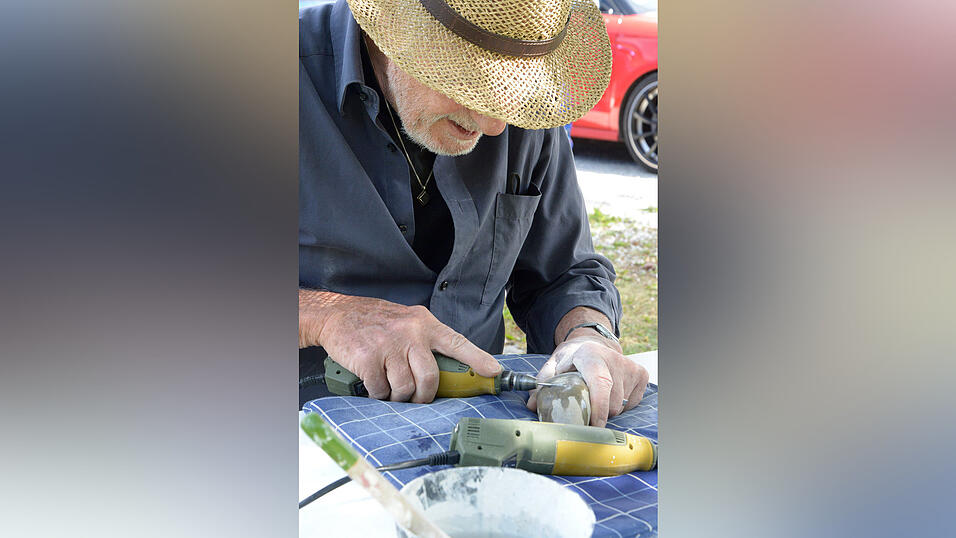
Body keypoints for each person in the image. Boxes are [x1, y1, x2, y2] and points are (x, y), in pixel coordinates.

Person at [298, 0, 649, 426]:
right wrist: (329, 315)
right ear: (392, 30)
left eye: (510, 92)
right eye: (472, 83)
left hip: (480, 430)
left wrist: (587, 335)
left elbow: (564, 275)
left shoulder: (520, 111)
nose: (496, 125)